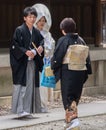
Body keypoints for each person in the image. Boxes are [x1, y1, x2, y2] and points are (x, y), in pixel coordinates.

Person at [51, 18, 92, 130]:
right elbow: (87, 58)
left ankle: (74, 121)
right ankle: (69, 121)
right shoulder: (81, 40)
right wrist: (87, 70)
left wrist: (53, 65)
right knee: (74, 97)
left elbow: (58, 57)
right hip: (80, 72)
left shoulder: (63, 40)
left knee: (68, 96)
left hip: (68, 71)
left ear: (63, 30)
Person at [10, 6, 44, 118]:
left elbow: (41, 42)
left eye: (34, 17)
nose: (32, 19)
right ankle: (19, 110)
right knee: (21, 86)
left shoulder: (36, 32)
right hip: (22, 63)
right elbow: (15, 45)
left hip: (32, 62)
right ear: (25, 18)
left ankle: (27, 110)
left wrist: (40, 48)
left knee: (30, 86)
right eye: (30, 17)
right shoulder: (19, 30)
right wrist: (25, 52)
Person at [33, 3, 55, 113]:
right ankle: (34, 105)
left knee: (44, 85)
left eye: (43, 20)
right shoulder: (31, 32)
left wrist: (45, 48)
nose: (42, 22)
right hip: (33, 62)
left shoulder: (47, 34)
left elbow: (51, 48)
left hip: (44, 62)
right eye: (40, 20)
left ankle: (43, 105)